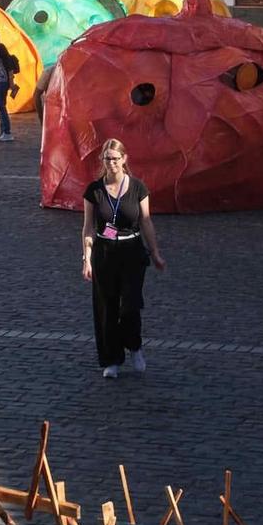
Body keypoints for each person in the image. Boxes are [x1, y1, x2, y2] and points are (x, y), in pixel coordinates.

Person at [81, 139, 167, 379]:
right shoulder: (94, 190)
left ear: (124, 159)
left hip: (131, 251)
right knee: (107, 308)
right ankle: (112, 359)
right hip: (104, 253)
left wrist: (156, 253)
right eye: (108, 159)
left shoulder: (138, 188)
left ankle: (134, 345)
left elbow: (145, 221)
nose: (112, 163)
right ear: (103, 161)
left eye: (116, 159)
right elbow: (88, 227)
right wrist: (86, 259)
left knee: (129, 306)